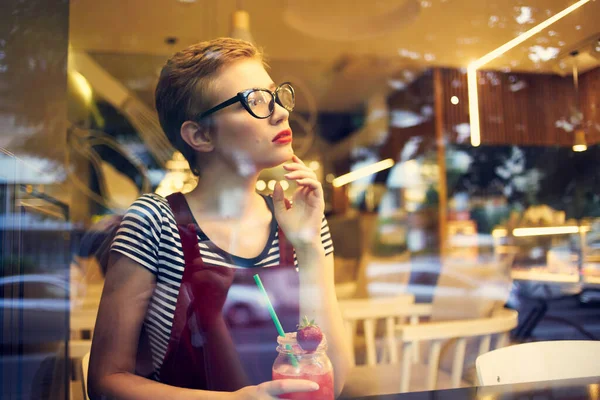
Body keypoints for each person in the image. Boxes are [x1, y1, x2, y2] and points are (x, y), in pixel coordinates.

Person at [88, 37, 351, 399]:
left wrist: (308, 248)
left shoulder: (302, 220)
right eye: (254, 101)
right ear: (199, 135)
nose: (280, 112)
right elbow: (106, 382)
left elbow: (333, 380)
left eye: (276, 96)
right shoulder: (155, 223)